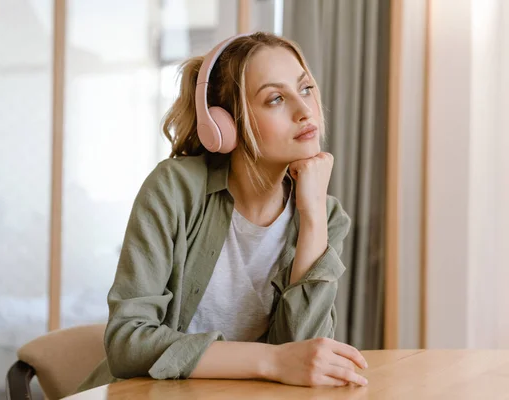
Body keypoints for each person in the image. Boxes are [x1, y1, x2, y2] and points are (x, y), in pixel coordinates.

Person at [76, 31, 368, 393]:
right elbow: (127, 342)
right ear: (223, 124)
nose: (304, 110)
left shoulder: (325, 215)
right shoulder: (175, 188)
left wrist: (311, 217)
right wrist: (272, 361)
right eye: (276, 98)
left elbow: (306, 355)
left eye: (305, 89)